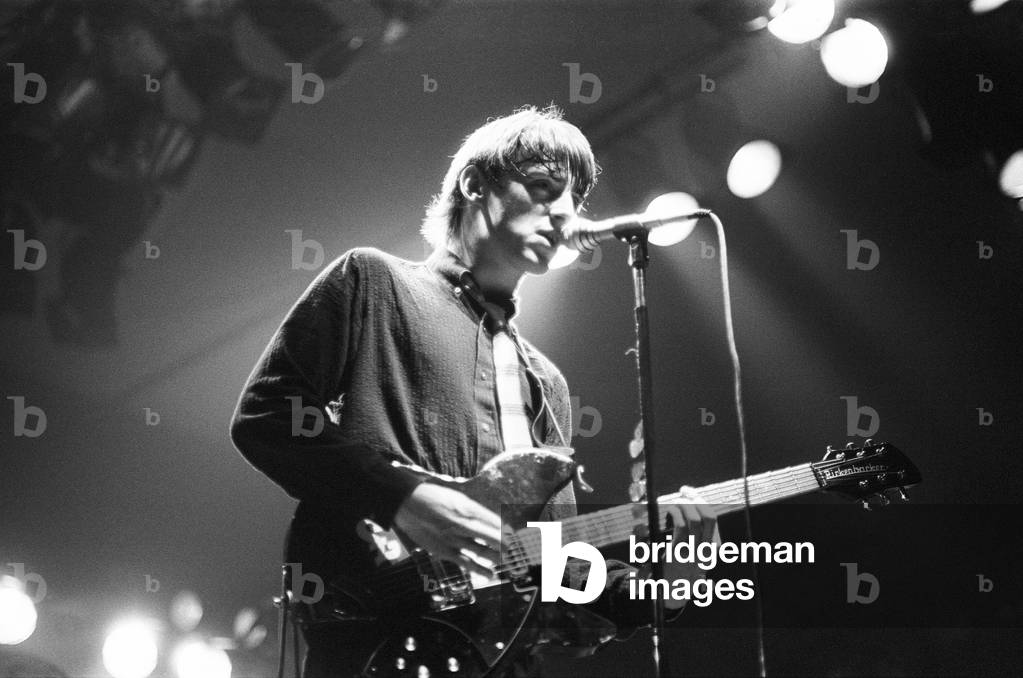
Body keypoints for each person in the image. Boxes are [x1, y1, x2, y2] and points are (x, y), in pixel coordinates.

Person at [230, 105, 718, 677]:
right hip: (371, 638)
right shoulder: (374, 281)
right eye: (542, 187)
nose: (563, 215)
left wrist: (681, 578)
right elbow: (266, 415)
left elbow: (557, 587)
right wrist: (404, 499)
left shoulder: (547, 385)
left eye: (574, 202)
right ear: (473, 183)